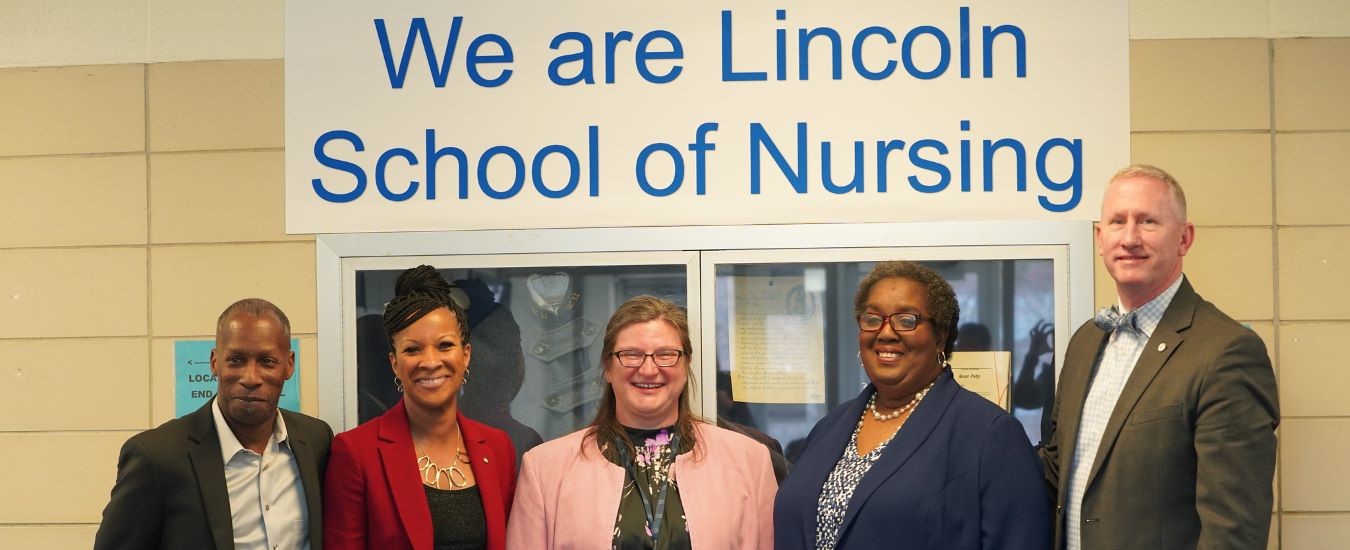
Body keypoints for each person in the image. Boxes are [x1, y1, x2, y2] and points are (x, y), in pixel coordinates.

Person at [1041, 164, 1279, 549]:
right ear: (1100, 239)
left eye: (1148, 221)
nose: (1130, 238)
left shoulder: (1226, 351)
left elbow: (1234, 529)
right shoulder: (1085, 341)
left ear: (1184, 238)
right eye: (1117, 222)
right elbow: (1056, 468)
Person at [775, 261, 1050, 550]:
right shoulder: (829, 428)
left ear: (940, 337)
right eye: (872, 318)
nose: (885, 333)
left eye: (906, 320)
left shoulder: (991, 435)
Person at [507, 295, 777, 549]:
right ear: (608, 367)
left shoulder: (749, 462)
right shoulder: (545, 469)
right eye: (631, 354)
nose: (648, 369)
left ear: (686, 365)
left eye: (665, 354)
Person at [94, 298, 333, 550]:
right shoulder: (157, 456)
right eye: (236, 360)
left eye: (267, 361)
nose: (251, 378)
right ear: (214, 362)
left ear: (289, 365)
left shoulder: (316, 440)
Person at [324, 265, 516, 550]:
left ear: (466, 355)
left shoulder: (498, 447)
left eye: (444, 345)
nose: (430, 361)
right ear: (394, 363)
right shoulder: (356, 452)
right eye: (413, 349)